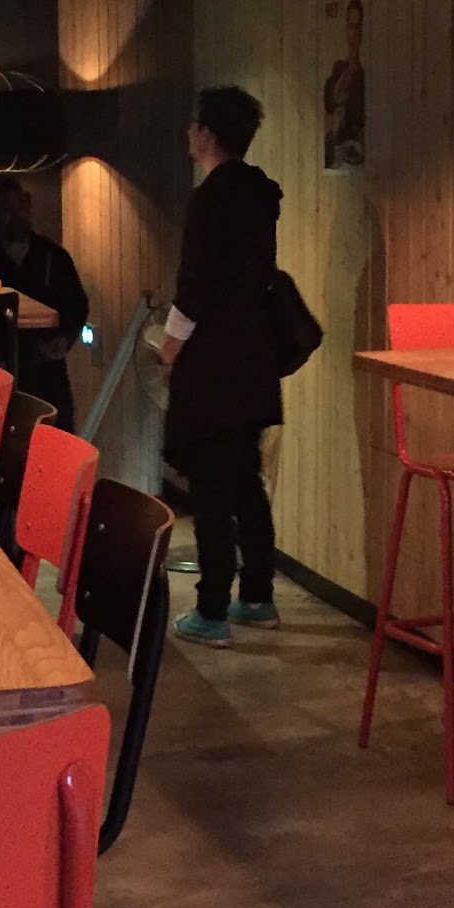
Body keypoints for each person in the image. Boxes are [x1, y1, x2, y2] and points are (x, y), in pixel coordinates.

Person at [161, 85, 282, 646]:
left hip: (213, 363)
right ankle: (257, 596)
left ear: (207, 134)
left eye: (193, 125)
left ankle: (211, 611)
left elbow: (195, 284)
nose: (189, 133)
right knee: (246, 482)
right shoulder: (261, 194)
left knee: (211, 488)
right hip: (255, 358)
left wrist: (171, 346)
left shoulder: (210, 199)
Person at [0, 178, 87, 431]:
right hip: (3, 369)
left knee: (54, 435)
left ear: (28, 205)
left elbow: (77, 305)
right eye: (5, 210)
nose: (14, 216)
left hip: (48, 369)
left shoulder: (54, 256)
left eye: (18, 207)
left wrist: (65, 338)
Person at [322, 0, 366, 169]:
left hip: (357, 156)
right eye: (350, 25)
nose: (353, 33)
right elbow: (333, 100)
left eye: (357, 26)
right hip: (338, 155)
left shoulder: (365, 76)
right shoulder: (338, 69)